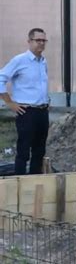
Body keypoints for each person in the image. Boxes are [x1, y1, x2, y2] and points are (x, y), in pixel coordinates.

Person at [0, 28, 50, 175]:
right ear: (29, 42)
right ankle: (20, 182)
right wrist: (9, 102)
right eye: (38, 40)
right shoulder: (20, 60)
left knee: (39, 150)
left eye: (43, 40)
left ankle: (34, 182)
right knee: (23, 150)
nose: (41, 43)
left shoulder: (43, 62)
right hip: (27, 112)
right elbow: (1, 78)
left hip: (42, 111)